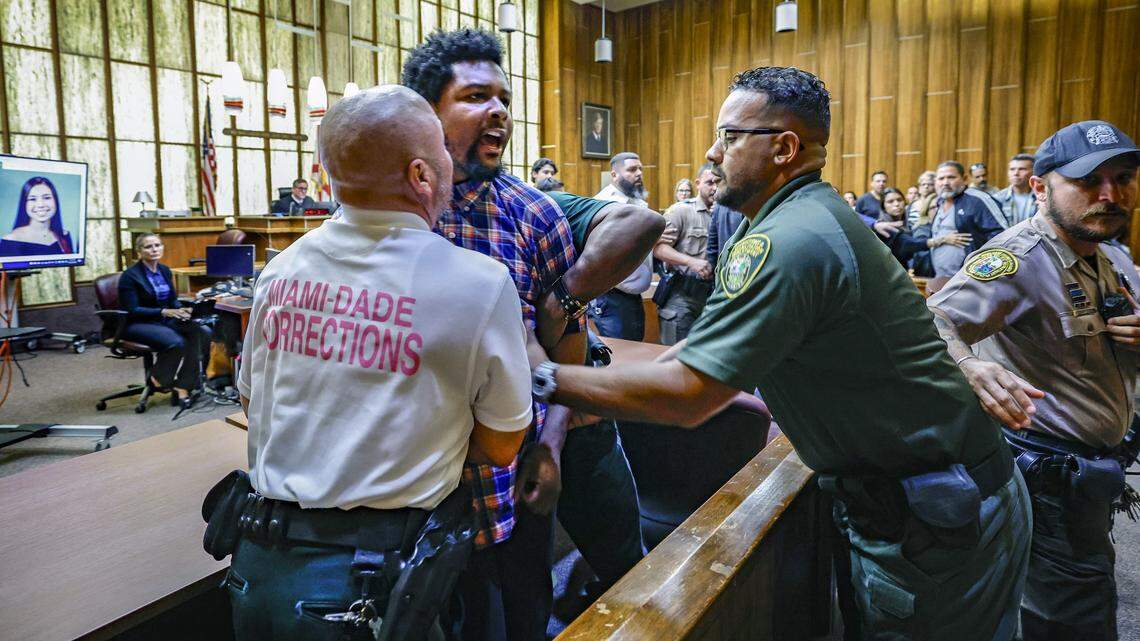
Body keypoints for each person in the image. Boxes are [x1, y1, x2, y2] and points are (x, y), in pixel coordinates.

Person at [530, 66, 1030, 641]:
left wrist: (536, 377)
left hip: (938, 516)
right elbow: (693, 355)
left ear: (784, 148)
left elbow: (688, 395)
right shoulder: (797, 220)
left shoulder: (789, 240)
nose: (713, 153)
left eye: (731, 135)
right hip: (927, 500)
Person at [226, 85, 532, 641]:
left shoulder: (281, 270)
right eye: (441, 150)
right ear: (421, 174)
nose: (449, 163)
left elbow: (252, 401)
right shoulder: (478, 283)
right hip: (370, 584)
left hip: (258, 569)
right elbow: (502, 445)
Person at [402, 28, 588, 641]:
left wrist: (552, 444)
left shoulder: (538, 216)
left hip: (513, 476)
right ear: (428, 112)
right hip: (412, 484)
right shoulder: (388, 219)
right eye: (477, 96)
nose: (500, 111)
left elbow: (569, 351)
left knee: (522, 613)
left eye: (503, 98)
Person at [928, 120, 1140, 641]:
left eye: (1124, 178)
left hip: (1093, 470)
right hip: (1047, 473)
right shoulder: (1018, 258)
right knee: (1073, 615)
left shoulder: (1109, 254)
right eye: (1089, 182)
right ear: (1041, 188)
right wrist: (967, 365)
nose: (1109, 195)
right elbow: (930, 321)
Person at [118, 233, 210, 409]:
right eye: (148, 246)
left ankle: (184, 385)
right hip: (136, 323)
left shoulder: (165, 270)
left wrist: (182, 309)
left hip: (163, 319)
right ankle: (158, 378)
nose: (154, 249)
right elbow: (132, 310)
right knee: (177, 342)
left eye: (157, 245)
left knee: (203, 331)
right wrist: (164, 311)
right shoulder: (130, 276)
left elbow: (172, 300)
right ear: (139, 252)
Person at [590, 152, 654, 341]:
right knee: (618, 357)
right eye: (632, 170)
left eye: (640, 169)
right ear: (614, 175)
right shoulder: (605, 203)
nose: (639, 173)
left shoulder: (638, 202)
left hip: (633, 296)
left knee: (634, 351)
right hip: (611, 296)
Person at [654, 163, 716, 344]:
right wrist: (690, 261)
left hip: (711, 297)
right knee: (674, 356)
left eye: (717, 183)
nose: (714, 188)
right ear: (698, 183)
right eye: (709, 183)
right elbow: (658, 248)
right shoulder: (681, 210)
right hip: (682, 294)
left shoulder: (724, 213)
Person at [927, 160, 1005, 277]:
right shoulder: (939, 202)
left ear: (964, 178)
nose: (945, 183)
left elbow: (1002, 235)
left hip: (970, 280)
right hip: (940, 278)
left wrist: (981, 270)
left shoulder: (977, 200)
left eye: (951, 177)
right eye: (941, 179)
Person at [0, 176, 75, 256]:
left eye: (46, 198)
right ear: (24, 204)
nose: (40, 205)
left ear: (55, 201)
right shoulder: (11, 240)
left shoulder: (63, 235)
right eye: (32, 199)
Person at [993, 153, 1037, 228]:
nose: (1016, 173)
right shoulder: (997, 198)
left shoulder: (1041, 197)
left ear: (1033, 172)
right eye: (1012, 169)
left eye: (1022, 169)